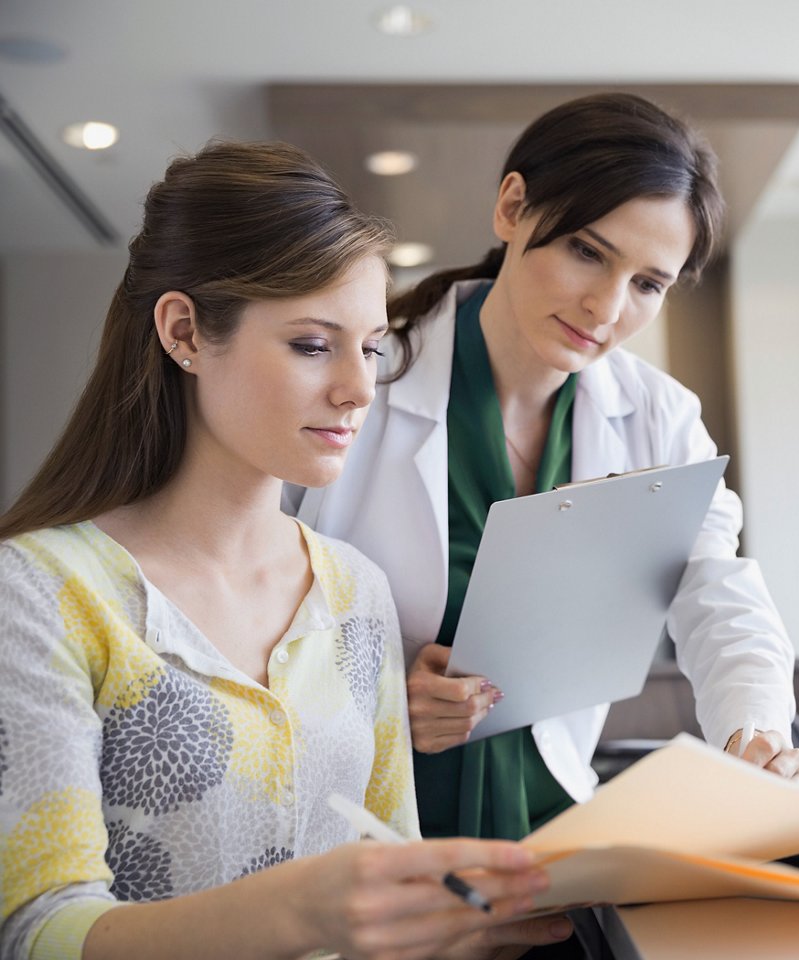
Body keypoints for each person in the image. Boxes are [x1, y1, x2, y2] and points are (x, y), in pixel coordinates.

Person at [0, 141, 571, 960]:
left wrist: (463, 926)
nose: (358, 386)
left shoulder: (354, 592)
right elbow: (37, 933)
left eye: (371, 346)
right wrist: (301, 914)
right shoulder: (42, 592)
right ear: (184, 330)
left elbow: (391, 871)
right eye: (312, 344)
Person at [289, 93, 799, 846]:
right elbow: (248, 609)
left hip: (553, 828)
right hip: (366, 834)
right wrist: (383, 700)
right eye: (587, 252)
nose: (605, 306)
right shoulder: (364, 380)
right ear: (512, 207)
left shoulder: (658, 419)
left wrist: (755, 737)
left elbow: (718, 594)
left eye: (647, 284)